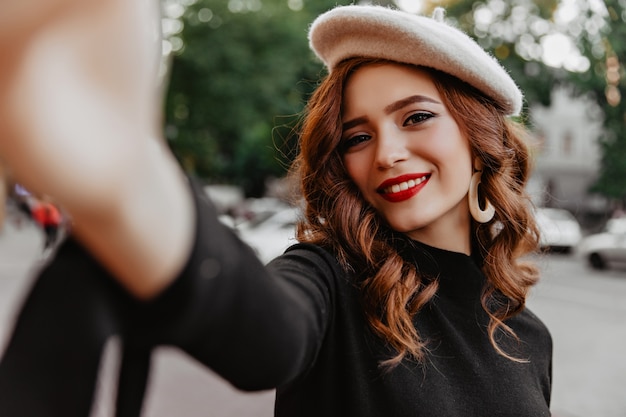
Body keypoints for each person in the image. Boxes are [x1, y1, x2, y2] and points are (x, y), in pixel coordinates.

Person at [0, 1, 552, 416]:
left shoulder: (531, 337)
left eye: (415, 118)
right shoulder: (330, 281)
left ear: (480, 141)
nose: (386, 154)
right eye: (357, 137)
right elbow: (264, 335)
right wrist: (128, 184)